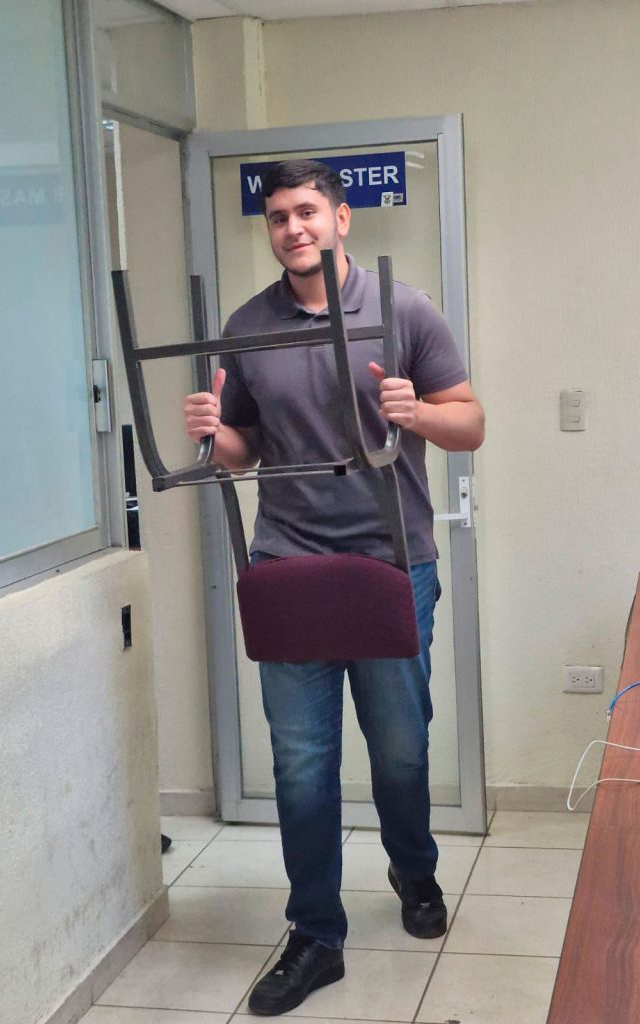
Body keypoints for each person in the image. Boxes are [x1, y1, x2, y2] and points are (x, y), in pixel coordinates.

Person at [183, 160, 484, 1016]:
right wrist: (213, 435)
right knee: (302, 762)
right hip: (290, 564)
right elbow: (244, 449)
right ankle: (315, 933)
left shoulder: (404, 309)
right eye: (279, 216)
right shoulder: (247, 327)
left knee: (400, 748)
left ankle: (414, 869)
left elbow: (470, 421)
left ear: (342, 218)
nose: (294, 228)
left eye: (308, 211)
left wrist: (417, 413)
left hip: (393, 563)